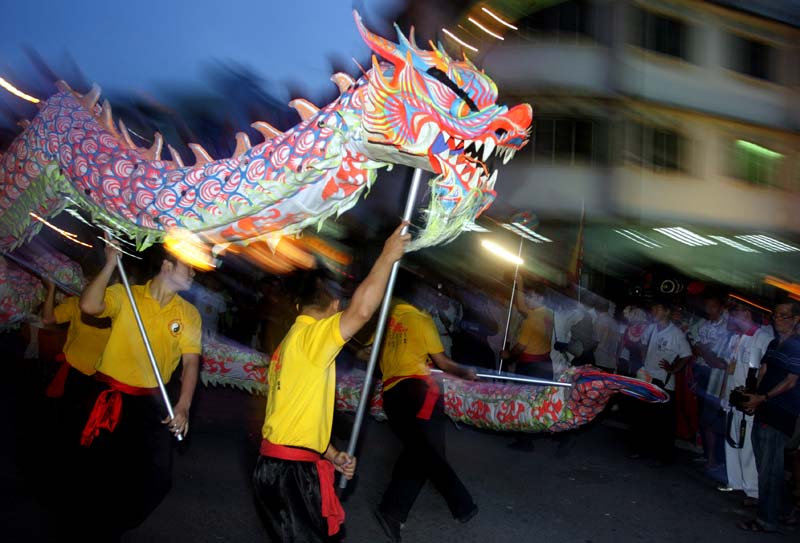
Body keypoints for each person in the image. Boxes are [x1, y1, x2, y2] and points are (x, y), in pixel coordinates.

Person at [253, 222, 410, 542]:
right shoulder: (312, 337)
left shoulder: (289, 344)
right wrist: (386, 258)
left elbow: (296, 419)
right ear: (333, 306)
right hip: (289, 472)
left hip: (278, 465)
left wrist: (333, 454)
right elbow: (363, 310)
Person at [76, 240, 203, 540]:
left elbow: (191, 365)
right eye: (188, 266)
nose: (194, 273)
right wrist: (109, 263)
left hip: (151, 405)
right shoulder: (126, 295)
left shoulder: (188, 314)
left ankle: (114, 523)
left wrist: (183, 406)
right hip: (110, 400)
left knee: (158, 479)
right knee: (101, 476)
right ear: (167, 266)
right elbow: (88, 306)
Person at [375, 287, 478, 543]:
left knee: (420, 447)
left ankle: (461, 506)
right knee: (424, 452)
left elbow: (367, 353)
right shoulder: (421, 320)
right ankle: (394, 510)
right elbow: (443, 363)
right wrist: (466, 372)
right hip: (419, 392)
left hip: (391, 394)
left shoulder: (384, 321)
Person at [737, 299, 800, 533]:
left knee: (771, 469)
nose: (778, 320)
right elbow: (763, 370)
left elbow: (791, 382)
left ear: (796, 319)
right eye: (776, 315)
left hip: (781, 412)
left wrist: (762, 398)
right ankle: (768, 513)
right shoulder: (774, 343)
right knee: (764, 467)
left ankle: (766, 520)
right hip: (764, 408)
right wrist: (753, 396)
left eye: (784, 316)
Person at [718, 299, 772, 503]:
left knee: (747, 443)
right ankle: (735, 482)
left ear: (747, 313)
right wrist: (723, 395)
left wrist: (754, 395)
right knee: (731, 440)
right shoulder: (735, 339)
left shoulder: (762, 338)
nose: (732, 318)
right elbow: (729, 369)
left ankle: (752, 490)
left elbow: (763, 372)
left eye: (735, 313)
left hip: (747, 398)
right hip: (732, 397)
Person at [629, 299, 691, 464]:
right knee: (643, 416)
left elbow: (686, 354)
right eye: (653, 308)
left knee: (662, 421)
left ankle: (663, 456)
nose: (654, 311)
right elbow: (642, 345)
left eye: (658, 308)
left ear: (667, 312)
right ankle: (640, 449)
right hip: (646, 378)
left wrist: (673, 368)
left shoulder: (676, 333)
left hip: (664, 381)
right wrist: (644, 357)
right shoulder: (650, 329)